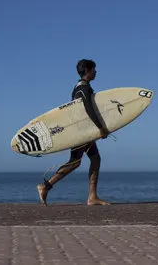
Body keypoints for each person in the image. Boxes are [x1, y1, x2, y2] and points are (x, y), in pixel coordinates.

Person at [36, 58, 111, 206]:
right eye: (93, 69)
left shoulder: (82, 87)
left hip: (85, 131)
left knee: (95, 159)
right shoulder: (83, 88)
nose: (96, 72)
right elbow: (88, 108)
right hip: (81, 132)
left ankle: (92, 196)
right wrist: (101, 128)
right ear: (87, 71)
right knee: (74, 162)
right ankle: (45, 186)